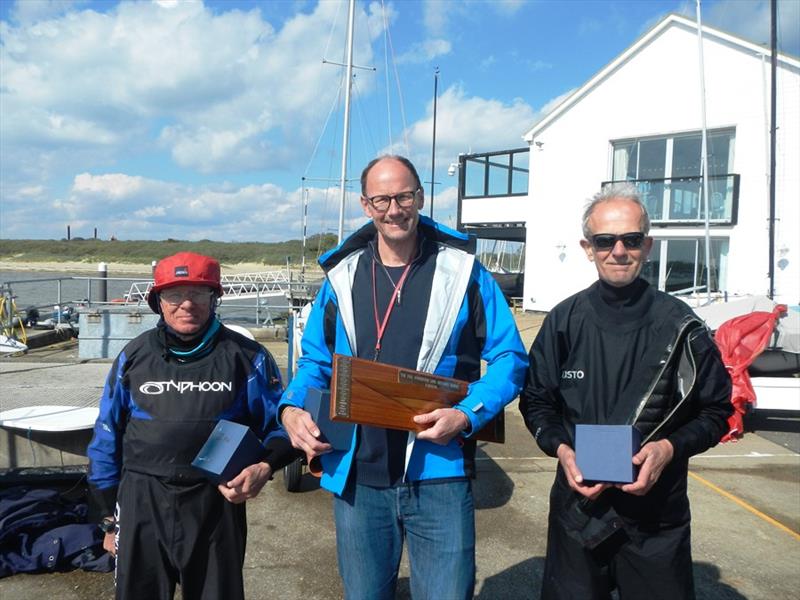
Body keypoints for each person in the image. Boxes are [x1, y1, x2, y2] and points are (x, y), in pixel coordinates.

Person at [279, 155, 528, 599]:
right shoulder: (341, 277)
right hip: (358, 474)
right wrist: (293, 407)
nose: (394, 209)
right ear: (365, 204)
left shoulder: (464, 274)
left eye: (404, 196)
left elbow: (509, 357)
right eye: (382, 199)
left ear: (421, 196)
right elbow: (315, 361)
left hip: (440, 473)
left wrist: (468, 414)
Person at [519, 183, 733, 599]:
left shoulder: (682, 326)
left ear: (647, 245)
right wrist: (562, 450)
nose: (619, 250)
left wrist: (668, 449)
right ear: (588, 247)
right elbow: (537, 401)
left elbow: (717, 410)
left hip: (656, 519)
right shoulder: (564, 321)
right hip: (579, 511)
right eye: (605, 241)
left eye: (631, 239)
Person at [87, 251, 296, 600]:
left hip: (214, 502)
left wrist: (266, 466)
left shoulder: (248, 357)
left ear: (215, 298)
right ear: (158, 301)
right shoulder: (132, 357)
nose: (187, 304)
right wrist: (108, 518)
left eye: (198, 293)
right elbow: (105, 437)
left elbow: (283, 426)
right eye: (174, 294)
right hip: (141, 501)